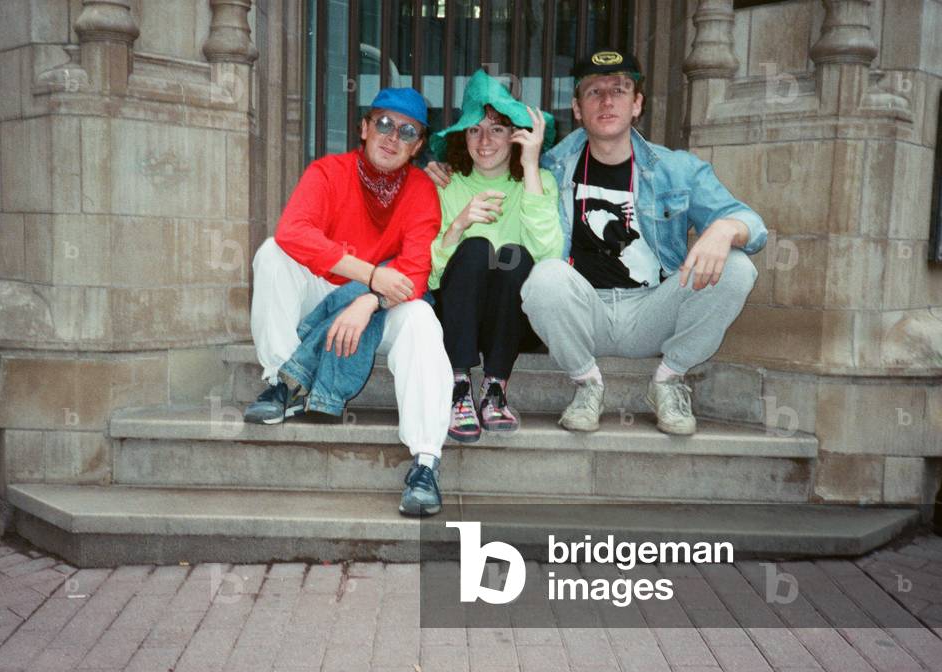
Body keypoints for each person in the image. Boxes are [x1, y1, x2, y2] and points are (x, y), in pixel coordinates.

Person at [426, 50, 767, 436]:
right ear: (577, 107)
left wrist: (723, 230)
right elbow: (500, 168)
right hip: (582, 313)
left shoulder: (677, 169)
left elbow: (752, 225)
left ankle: (669, 380)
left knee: (738, 266)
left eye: (619, 90)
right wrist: (441, 165)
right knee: (545, 274)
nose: (606, 101)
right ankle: (587, 384)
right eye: (593, 92)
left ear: (637, 103)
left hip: (654, 310)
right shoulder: (550, 165)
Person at [245, 87, 452, 517]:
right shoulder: (328, 172)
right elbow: (293, 233)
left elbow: (414, 270)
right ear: (364, 128)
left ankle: (426, 463)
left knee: (423, 320)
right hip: (323, 295)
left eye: (406, 131)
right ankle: (285, 381)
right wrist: (371, 274)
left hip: (381, 308)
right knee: (271, 253)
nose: (392, 136)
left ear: (416, 147)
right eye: (383, 123)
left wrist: (369, 300)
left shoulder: (420, 191)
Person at [427, 70, 562, 442]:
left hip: (513, 319)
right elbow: (431, 277)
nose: (484, 140)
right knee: (475, 249)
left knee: (515, 255)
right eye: (474, 129)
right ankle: (458, 386)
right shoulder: (445, 183)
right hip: (455, 316)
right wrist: (457, 226)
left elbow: (549, 258)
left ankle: (494, 387)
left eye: (497, 129)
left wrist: (532, 165)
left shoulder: (540, 181)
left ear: (515, 136)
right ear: (462, 136)